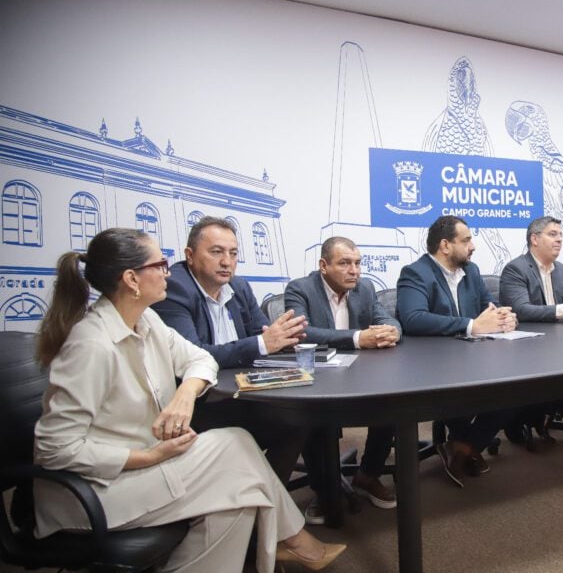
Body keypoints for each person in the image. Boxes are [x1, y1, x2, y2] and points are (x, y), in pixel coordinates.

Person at [33, 228, 344, 573]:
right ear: (132, 279)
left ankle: (292, 543)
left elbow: (201, 360)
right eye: (161, 265)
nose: (168, 272)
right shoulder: (91, 345)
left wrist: (185, 393)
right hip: (96, 493)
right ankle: (297, 540)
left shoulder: (146, 319)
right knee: (236, 450)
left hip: (148, 465)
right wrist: (147, 455)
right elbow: (54, 448)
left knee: (238, 497)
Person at [151, 216, 307, 482]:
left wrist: (279, 337)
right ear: (190, 255)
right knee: (290, 423)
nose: (227, 262)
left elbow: (261, 332)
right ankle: (259, 497)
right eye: (216, 252)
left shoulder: (238, 285)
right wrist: (262, 344)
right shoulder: (175, 288)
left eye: (233, 253)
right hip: (200, 402)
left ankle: (263, 495)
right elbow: (194, 354)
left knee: (300, 419)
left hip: (244, 392)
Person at [284, 236, 401, 521]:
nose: (355, 271)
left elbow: (387, 318)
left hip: (361, 373)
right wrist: (359, 337)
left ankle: (368, 474)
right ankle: (324, 490)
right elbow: (303, 333)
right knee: (313, 418)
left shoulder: (365, 288)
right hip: (319, 376)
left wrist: (392, 331)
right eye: (345, 263)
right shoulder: (300, 289)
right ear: (323, 265)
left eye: (358, 263)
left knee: (395, 404)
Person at [396, 215, 516, 487]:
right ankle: (468, 447)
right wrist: (473, 325)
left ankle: (461, 447)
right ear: (445, 245)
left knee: (515, 389)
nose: (473, 246)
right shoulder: (415, 272)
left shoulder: (471, 271)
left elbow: (489, 307)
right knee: (456, 393)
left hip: (473, 355)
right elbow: (413, 319)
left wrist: (503, 317)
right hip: (433, 362)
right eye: (466, 240)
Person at [498, 216, 563, 446]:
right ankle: (523, 420)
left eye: (560, 235)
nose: (559, 239)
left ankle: (543, 415)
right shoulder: (516, 268)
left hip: (558, 340)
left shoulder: (561, 270)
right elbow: (521, 310)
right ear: (534, 239)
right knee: (545, 377)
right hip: (528, 343)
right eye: (552, 234)